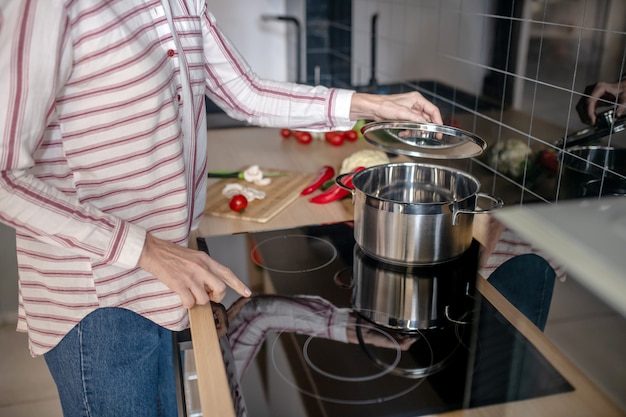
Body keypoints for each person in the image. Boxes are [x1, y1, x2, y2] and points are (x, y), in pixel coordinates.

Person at [0, 1, 442, 416]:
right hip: (98, 306)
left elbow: (245, 92)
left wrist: (372, 106)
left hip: (169, 279)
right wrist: (150, 251)